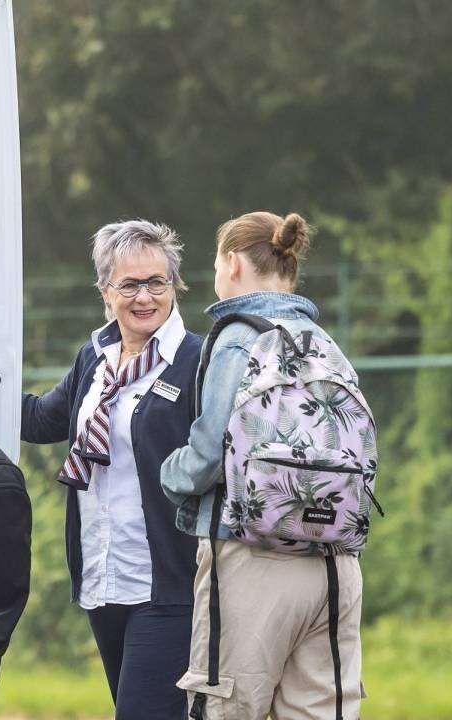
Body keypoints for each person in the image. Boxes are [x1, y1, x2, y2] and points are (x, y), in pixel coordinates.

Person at [161, 211, 365, 719]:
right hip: (335, 562)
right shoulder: (324, 342)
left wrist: (168, 473)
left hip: (249, 555)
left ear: (232, 263)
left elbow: (208, 455)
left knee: (228, 704)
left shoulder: (235, 336)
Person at [21, 220, 202, 718]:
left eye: (157, 283)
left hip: (168, 582)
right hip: (104, 579)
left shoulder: (197, 361)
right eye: (129, 284)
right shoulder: (95, 359)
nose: (144, 297)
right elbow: (41, 420)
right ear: (106, 291)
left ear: (174, 286)